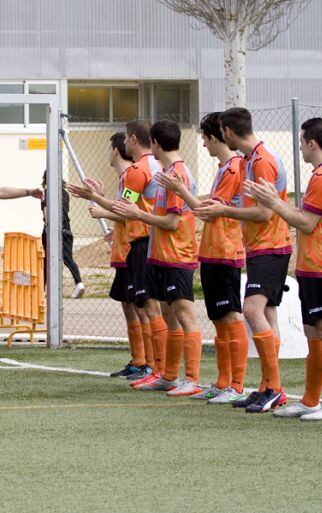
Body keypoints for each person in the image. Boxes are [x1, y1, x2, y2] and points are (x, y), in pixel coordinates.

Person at [248, 118, 322, 421]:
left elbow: (307, 223)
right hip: (314, 264)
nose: (300, 147)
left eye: (302, 140)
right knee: (312, 330)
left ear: (312, 144)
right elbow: (307, 216)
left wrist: (273, 203)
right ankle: (310, 400)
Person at [196, 107, 290, 413]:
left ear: (228, 132)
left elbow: (264, 213)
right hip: (260, 246)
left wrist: (223, 211)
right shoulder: (251, 161)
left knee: (250, 310)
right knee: (268, 314)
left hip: (270, 244)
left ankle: (272, 387)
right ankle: (268, 386)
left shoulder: (260, 161)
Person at [156, 112, 250, 403]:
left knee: (230, 316)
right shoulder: (224, 168)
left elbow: (206, 211)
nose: (204, 146)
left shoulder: (234, 168)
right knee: (219, 320)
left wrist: (180, 190)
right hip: (211, 251)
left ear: (214, 137)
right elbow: (209, 205)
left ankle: (235, 385)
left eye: (205, 139)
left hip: (225, 250)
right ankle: (223, 382)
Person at [113, 120, 203, 395]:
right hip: (161, 253)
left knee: (181, 314)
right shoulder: (166, 172)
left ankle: (191, 378)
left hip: (176, 253)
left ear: (152, 142)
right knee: (168, 314)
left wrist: (138, 215)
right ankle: (168, 374)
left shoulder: (168, 174)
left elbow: (172, 221)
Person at [67, 133, 154, 379]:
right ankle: (140, 360)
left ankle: (148, 363)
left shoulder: (133, 174)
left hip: (132, 249)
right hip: (124, 246)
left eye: (110, 147)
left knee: (141, 306)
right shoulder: (127, 176)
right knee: (130, 305)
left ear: (116, 150)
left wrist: (99, 205)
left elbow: (129, 212)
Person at [41, 173, 86, 299]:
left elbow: (46, 211)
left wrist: (48, 225)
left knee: (46, 260)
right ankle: (79, 283)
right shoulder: (64, 194)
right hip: (66, 229)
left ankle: (44, 289)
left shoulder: (46, 193)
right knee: (67, 258)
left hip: (51, 231)